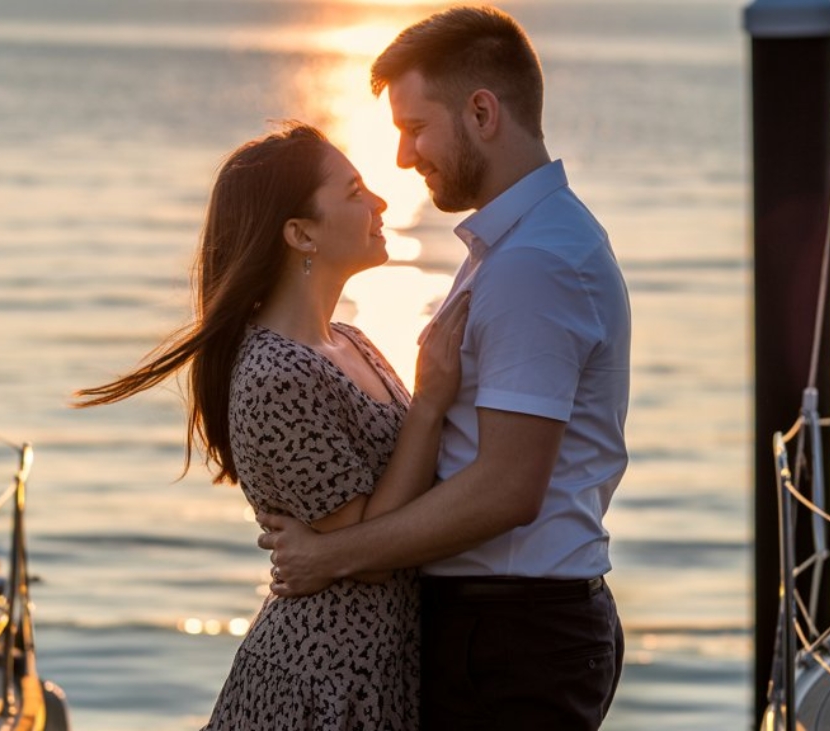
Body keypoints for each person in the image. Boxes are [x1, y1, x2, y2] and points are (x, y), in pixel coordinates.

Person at [257, 6, 631, 730]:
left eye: (416, 127)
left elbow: (506, 488)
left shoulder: (534, 262)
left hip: (512, 635)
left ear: (482, 113)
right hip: (506, 627)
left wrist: (330, 556)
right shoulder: (515, 245)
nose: (403, 156)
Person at [74, 122, 468, 730]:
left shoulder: (352, 342)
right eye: (355, 191)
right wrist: (430, 404)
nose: (381, 202)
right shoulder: (275, 374)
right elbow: (370, 555)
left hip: (375, 668)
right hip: (320, 684)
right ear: (300, 233)